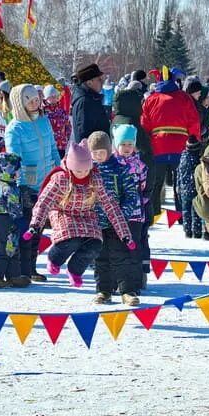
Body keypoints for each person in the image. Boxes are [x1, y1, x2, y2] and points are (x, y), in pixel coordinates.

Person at [24, 141, 133, 289]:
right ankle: (54, 259)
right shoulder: (60, 179)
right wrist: (35, 225)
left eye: (85, 170)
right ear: (70, 167)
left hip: (86, 215)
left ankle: (75, 270)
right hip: (63, 213)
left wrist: (124, 234)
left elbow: (111, 206)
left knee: (95, 244)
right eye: (78, 171)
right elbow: (44, 203)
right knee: (72, 239)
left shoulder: (95, 179)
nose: (82, 174)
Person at [5, 83, 59, 282]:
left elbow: (53, 147)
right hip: (27, 184)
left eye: (36, 98)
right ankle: (21, 268)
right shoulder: (15, 128)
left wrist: (59, 168)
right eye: (29, 99)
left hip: (47, 180)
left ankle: (32, 267)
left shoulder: (44, 121)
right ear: (20, 103)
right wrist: (21, 183)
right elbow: (14, 157)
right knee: (27, 227)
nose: (35, 102)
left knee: (39, 227)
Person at [88, 131, 142, 305]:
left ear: (109, 150)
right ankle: (103, 290)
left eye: (101, 153)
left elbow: (131, 194)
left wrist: (123, 214)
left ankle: (127, 290)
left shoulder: (119, 169)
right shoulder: (88, 171)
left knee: (121, 256)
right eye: (95, 153)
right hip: (97, 223)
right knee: (100, 258)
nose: (98, 156)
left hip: (117, 223)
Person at [141, 74, 202, 223]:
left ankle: (153, 214)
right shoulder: (184, 97)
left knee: (155, 182)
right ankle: (183, 214)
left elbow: (144, 124)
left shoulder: (151, 99)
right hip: (181, 146)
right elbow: (194, 121)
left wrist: (147, 143)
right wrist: (194, 140)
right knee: (182, 182)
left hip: (158, 146)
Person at [113, 123, 151, 279]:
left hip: (135, 213)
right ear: (117, 145)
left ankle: (135, 278)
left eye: (130, 144)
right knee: (116, 246)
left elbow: (143, 184)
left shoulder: (140, 165)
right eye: (123, 144)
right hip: (116, 213)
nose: (127, 148)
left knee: (134, 245)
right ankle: (116, 278)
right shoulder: (112, 164)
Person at [0, 152, 30, 288]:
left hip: (6, 220)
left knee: (13, 248)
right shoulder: (8, 188)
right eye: (16, 169)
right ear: (7, 170)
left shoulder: (3, 184)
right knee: (5, 249)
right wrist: (21, 220)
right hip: (7, 221)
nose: (19, 172)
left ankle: (14, 276)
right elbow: (14, 208)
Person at [71, 63, 110, 143]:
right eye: (99, 79)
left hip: (99, 151)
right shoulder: (85, 102)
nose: (102, 82)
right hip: (93, 153)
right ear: (89, 83)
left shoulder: (91, 99)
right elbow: (84, 135)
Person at [42, 84, 71, 156]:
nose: (54, 99)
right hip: (49, 146)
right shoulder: (43, 112)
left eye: (55, 97)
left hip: (61, 145)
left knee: (60, 165)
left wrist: (66, 138)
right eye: (51, 97)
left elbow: (68, 125)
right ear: (46, 98)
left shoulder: (61, 111)